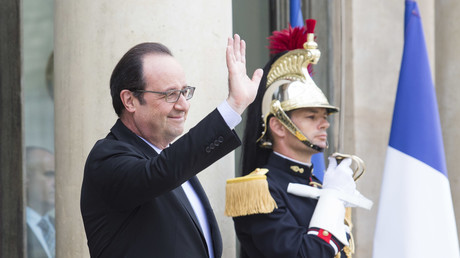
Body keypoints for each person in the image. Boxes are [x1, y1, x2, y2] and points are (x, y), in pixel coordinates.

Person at [80, 35, 263, 258]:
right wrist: (232, 107)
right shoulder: (107, 157)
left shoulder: (171, 160)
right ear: (130, 101)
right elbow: (161, 172)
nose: (183, 105)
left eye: (185, 92)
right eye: (170, 94)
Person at [230, 20, 364, 258]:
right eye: (312, 116)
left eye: (324, 116)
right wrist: (332, 200)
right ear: (279, 126)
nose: (324, 123)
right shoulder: (262, 190)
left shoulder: (316, 184)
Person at [25, 146, 56, 258]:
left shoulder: (59, 226)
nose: (56, 183)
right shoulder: (12, 228)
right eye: (49, 174)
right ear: (26, 178)